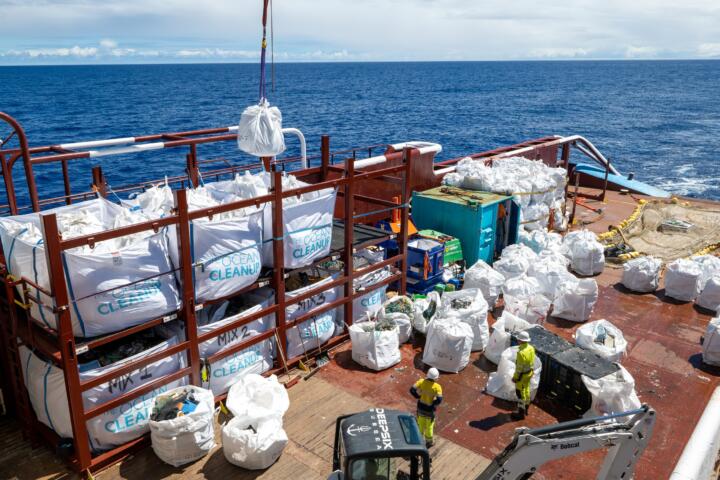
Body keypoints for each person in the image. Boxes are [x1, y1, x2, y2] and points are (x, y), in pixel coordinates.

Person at [410, 367, 443, 447]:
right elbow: (439, 399)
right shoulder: (437, 387)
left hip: (420, 408)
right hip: (429, 410)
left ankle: (419, 439)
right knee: (429, 427)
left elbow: (412, 390)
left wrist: (417, 396)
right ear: (436, 378)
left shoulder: (421, 382)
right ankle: (429, 442)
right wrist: (432, 404)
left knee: (420, 424)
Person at [512, 330, 536, 420]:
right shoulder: (531, 348)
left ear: (521, 341)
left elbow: (519, 368)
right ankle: (526, 409)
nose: (518, 341)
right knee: (526, 390)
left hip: (522, 376)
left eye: (519, 339)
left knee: (520, 394)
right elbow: (532, 360)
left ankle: (520, 414)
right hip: (529, 373)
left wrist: (515, 378)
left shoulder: (521, 353)